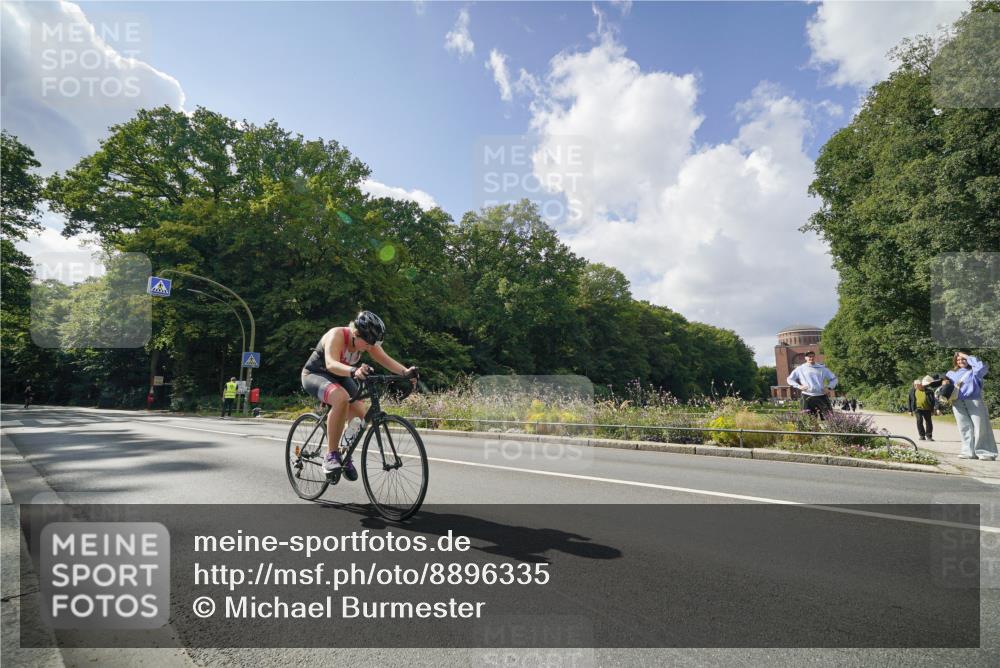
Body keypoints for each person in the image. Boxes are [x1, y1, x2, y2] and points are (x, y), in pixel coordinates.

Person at [301, 311, 416, 478]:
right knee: (341, 398)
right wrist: (354, 370)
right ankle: (330, 455)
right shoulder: (337, 334)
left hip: (341, 376)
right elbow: (331, 364)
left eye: (373, 344)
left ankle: (343, 455)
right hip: (314, 375)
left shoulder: (367, 342)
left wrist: (406, 372)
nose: (370, 347)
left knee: (361, 415)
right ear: (355, 333)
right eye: (368, 343)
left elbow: (385, 359)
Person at [946, 351, 997, 461]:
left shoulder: (974, 371)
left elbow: (981, 367)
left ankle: (986, 453)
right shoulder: (951, 373)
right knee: (964, 427)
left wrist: (966, 356)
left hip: (974, 401)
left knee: (980, 427)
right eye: (958, 359)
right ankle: (968, 452)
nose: (961, 361)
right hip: (957, 402)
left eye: (963, 359)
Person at [787, 351, 838, 419]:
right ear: (805, 358)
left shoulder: (822, 368)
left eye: (812, 356)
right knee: (807, 420)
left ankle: (829, 429)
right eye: (809, 356)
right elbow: (790, 379)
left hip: (821, 395)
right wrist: (799, 386)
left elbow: (834, 379)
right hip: (806, 396)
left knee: (829, 418)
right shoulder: (800, 369)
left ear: (814, 357)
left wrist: (829, 388)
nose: (811, 358)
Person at [908, 376, 936, 442]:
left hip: (927, 409)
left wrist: (933, 409)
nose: (915, 386)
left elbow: (933, 401)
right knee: (919, 421)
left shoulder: (929, 391)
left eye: (916, 385)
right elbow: (909, 401)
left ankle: (929, 436)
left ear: (921, 384)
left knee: (929, 422)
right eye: (914, 385)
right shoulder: (912, 391)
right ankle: (922, 435)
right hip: (917, 409)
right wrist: (910, 410)